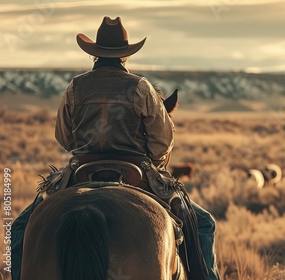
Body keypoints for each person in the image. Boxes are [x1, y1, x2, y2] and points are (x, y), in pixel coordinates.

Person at [11, 16, 220, 280]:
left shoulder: (75, 87)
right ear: (125, 56)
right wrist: (152, 156)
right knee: (202, 224)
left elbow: (64, 138)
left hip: (80, 170)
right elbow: (162, 141)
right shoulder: (141, 88)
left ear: (94, 55)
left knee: (20, 227)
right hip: (137, 170)